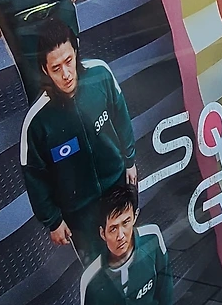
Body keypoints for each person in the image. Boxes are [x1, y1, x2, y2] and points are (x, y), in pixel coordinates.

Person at [20, 16, 137, 263]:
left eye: (68, 61)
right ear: (44, 70)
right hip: (80, 213)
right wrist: (53, 221)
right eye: (56, 68)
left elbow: (121, 116)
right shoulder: (37, 121)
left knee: (128, 253)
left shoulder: (100, 75)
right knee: (98, 270)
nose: (65, 74)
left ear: (76, 52)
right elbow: (34, 176)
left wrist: (130, 160)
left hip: (116, 188)